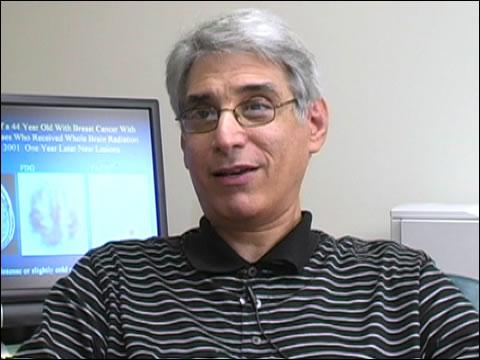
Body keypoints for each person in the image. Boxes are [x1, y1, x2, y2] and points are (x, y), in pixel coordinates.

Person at [14, 8, 479, 359]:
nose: (225, 135)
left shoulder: (401, 283)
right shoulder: (108, 284)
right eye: (202, 113)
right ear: (183, 140)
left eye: (256, 105)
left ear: (313, 123)